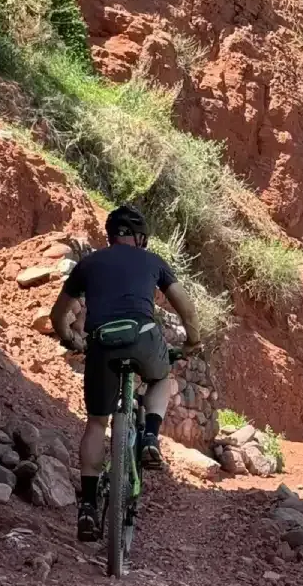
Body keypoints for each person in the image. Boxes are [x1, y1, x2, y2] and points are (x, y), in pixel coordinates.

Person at [50, 204, 201, 543]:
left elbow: (59, 314)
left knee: (96, 423)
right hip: (143, 336)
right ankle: (149, 435)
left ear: (111, 235)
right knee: (162, 378)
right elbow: (186, 308)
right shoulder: (153, 262)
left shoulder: (89, 264)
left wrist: (69, 337)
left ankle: (88, 505)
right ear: (138, 236)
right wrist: (193, 341)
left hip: (102, 343)